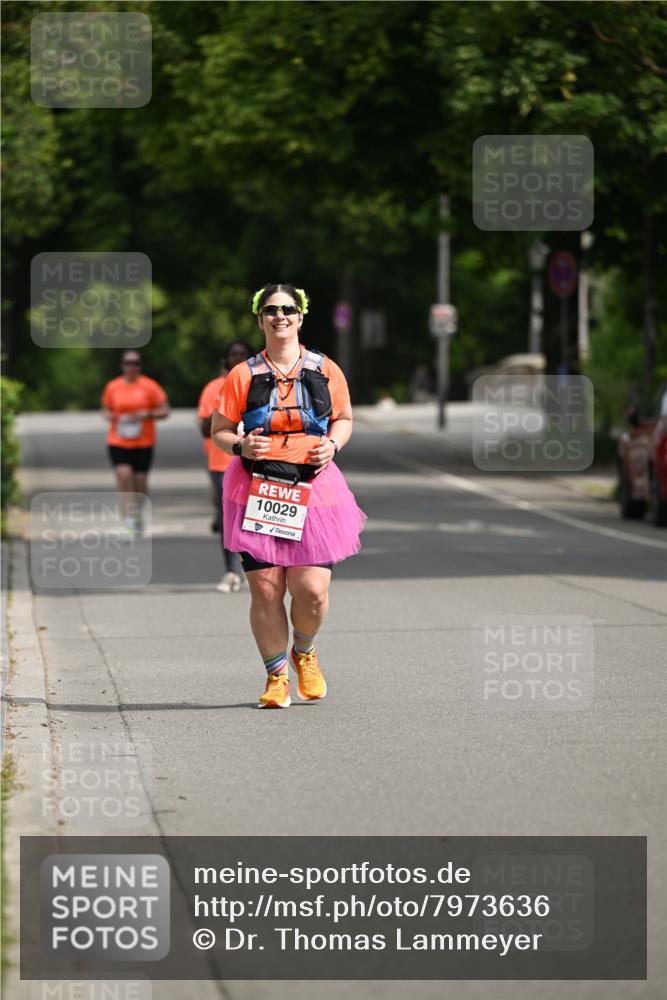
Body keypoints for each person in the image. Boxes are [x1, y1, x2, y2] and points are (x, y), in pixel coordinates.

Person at [211, 283, 365, 709]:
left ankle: (305, 651)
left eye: (288, 309)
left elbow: (345, 419)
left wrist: (333, 444)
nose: (281, 316)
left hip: (314, 489)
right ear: (260, 319)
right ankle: (276, 675)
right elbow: (219, 431)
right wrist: (239, 446)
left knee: (311, 589)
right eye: (271, 310)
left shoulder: (325, 369)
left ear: (301, 317)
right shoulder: (242, 374)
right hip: (256, 488)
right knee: (265, 588)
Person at [197, 340, 253, 592]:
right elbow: (204, 429)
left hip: (255, 461)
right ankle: (231, 571)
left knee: (250, 515)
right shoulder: (213, 388)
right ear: (225, 359)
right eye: (233, 354)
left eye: (243, 354)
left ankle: (254, 566)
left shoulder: (260, 382)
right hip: (221, 462)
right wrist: (222, 406)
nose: (238, 358)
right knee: (228, 516)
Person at [101, 350, 169, 536]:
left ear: (140, 366)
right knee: (123, 477)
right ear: (122, 365)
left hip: (143, 442)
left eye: (136, 363)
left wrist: (146, 414)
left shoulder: (150, 386)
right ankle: (127, 520)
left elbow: (164, 411)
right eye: (128, 363)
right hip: (118, 440)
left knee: (139, 483)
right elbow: (105, 410)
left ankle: (137, 513)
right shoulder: (113, 386)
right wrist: (115, 417)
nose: (132, 366)